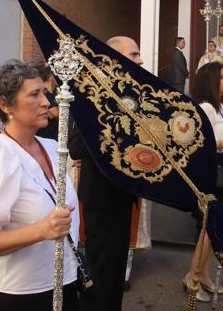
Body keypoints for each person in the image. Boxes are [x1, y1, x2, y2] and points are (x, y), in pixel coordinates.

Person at [0, 60, 78, 311]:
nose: (46, 102)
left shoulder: (52, 148)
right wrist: (41, 230)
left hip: (64, 280)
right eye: (34, 94)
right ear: (5, 104)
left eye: (44, 92)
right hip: (22, 294)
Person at [68, 36, 142, 311]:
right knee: (100, 274)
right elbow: (75, 147)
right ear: (115, 58)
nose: (140, 60)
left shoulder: (133, 92)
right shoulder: (92, 93)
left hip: (124, 196)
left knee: (115, 275)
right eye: (134, 54)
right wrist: (113, 119)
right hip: (101, 199)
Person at [182, 61, 223, 303]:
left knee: (213, 232)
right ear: (211, 80)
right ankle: (191, 277)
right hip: (208, 174)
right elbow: (193, 143)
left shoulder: (218, 107)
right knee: (210, 230)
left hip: (220, 171)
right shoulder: (204, 107)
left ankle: (204, 275)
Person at [33, 62, 59, 140]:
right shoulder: (45, 93)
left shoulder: (54, 92)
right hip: (45, 136)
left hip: (54, 136)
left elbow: (54, 114)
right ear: (51, 77)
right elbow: (58, 114)